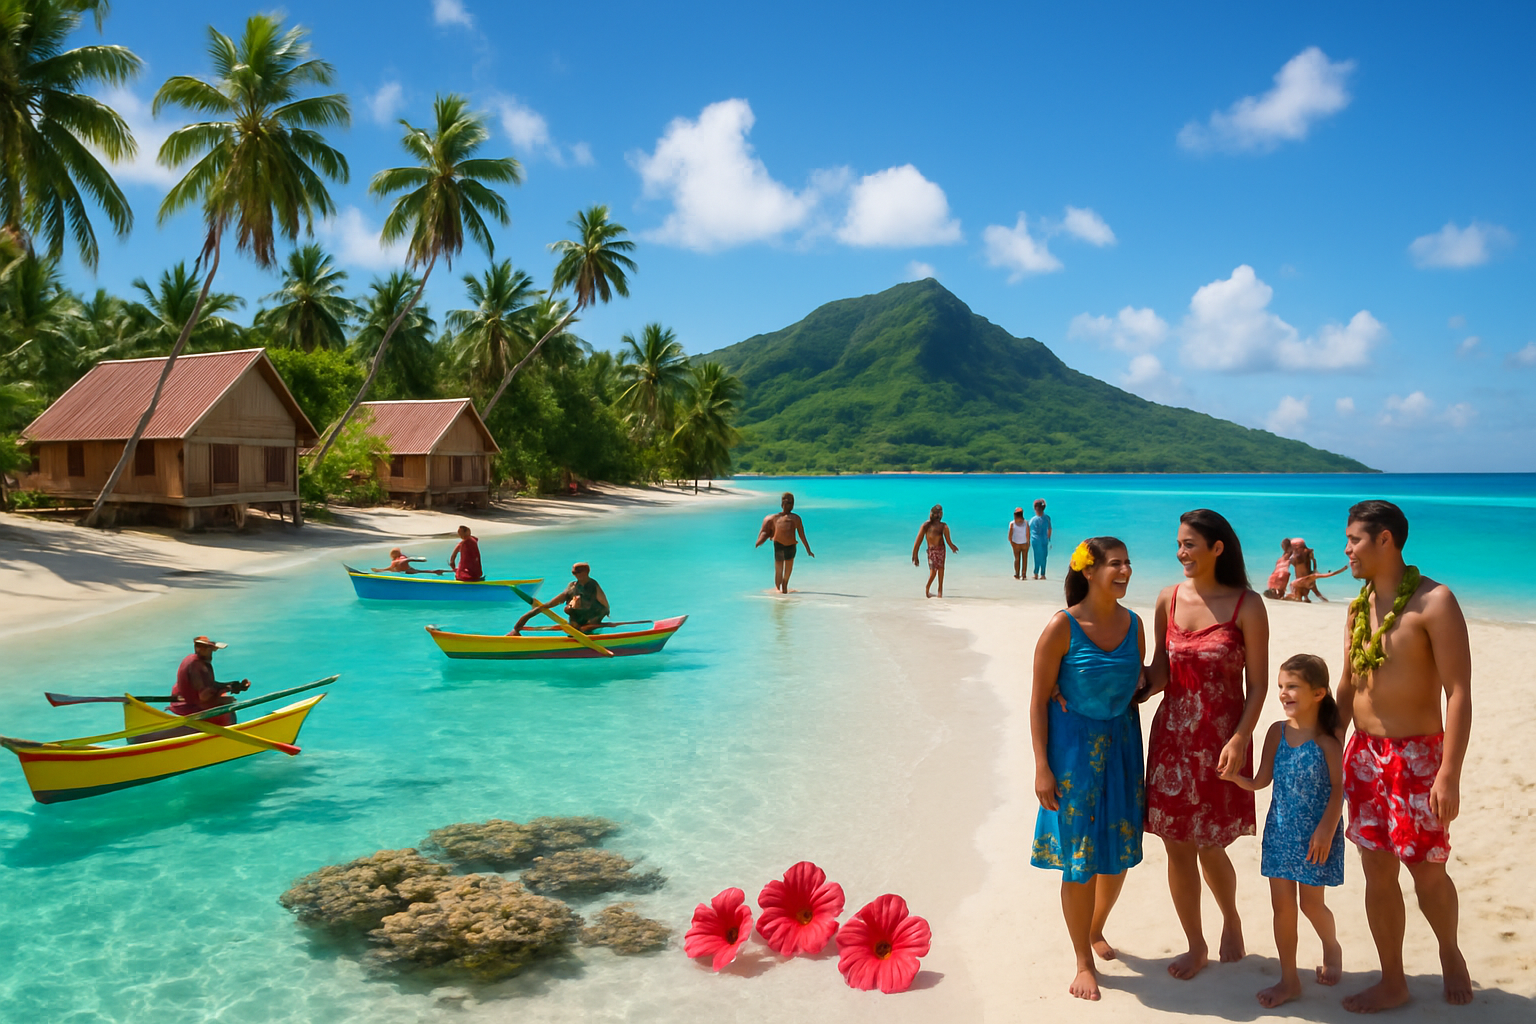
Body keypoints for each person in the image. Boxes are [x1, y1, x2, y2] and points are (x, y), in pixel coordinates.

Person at [1335, 500, 1472, 1011]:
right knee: (1377, 871)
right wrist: (1329, 747)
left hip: (1418, 759)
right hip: (1364, 755)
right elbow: (1348, 685)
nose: (1346, 550)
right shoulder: (1356, 606)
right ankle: (1394, 979)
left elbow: (1459, 691)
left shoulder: (1435, 603)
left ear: (1385, 539)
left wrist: (1449, 773)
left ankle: (1450, 952)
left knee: (1428, 870)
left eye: (1354, 540)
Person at [1143, 509, 1269, 980]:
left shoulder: (1247, 605)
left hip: (1221, 742)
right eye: (1179, 544)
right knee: (1177, 846)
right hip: (1172, 740)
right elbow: (1160, 672)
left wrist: (1241, 736)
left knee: (1211, 846)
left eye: (1190, 544)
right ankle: (1195, 944)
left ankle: (1231, 918)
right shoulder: (1167, 599)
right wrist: (1110, 686)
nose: (1181, 553)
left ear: (1218, 548)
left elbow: (1257, 685)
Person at [1030, 536, 1147, 1001]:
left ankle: (1095, 927)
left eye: (1128, 563)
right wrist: (1042, 766)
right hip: (1073, 753)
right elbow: (1038, 701)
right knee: (1079, 860)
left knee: (1118, 853)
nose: (1125, 571)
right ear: (1088, 571)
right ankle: (1081, 958)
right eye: (1115, 564)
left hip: (1122, 747)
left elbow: (1140, 681)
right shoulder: (1062, 627)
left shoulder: (1134, 623)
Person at [1220, 653, 1346, 1008]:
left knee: (1311, 905)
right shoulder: (1277, 731)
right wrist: (1236, 779)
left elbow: (1340, 790)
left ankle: (1331, 945)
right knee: (1283, 908)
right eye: (1280, 686)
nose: (1283, 693)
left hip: (1316, 837)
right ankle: (1289, 980)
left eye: (1292, 686)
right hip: (1279, 832)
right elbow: (1262, 779)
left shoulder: (1327, 741)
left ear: (1319, 693)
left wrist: (1325, 830)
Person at [168, 636, 250, 727]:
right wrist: (224, 698)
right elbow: (204, 696)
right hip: (190, 709)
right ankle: (230, 731)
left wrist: (232, 686)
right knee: (228, 705)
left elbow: (210, 685)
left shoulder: (192, 660)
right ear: (200, 649)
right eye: (209, 649)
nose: (211, 654)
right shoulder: (198, 665)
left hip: (181, 702)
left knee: (224, 696)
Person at [512, 562, 610, 634]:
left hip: (592, 616)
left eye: (579, 572)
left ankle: (587, 628)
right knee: (565, 612)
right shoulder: (572, 586)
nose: (576, 575)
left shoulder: (593, 585)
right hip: (577, 616)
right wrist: (541, 608)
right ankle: (516, 629)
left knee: (584, 627)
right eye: (574, 573)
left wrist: (601, 616)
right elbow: (557, 600)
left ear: (587, 572)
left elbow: (605, 605)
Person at [754, 492, 814, 594]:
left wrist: (808, 549)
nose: (787, 505)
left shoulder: (796, 518)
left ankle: (785, 584)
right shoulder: (774, 517)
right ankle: (778, 588)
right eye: (786, 502)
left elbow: (801, 535)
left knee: (788, 568)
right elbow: (765, 530)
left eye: (790, 503)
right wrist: (759, 541)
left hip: (791, 546)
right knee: (779, 568)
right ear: (782, 504)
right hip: (779, 545)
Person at [911, 504, 959, 599]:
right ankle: (927, 589)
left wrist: (952, 547)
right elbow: (918, 542)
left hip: (941, 551)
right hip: (932, 552)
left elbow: (948, 540)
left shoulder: (944, 527)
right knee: (933, 573)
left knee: (941, 570)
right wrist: (915, 555)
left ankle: (940, 591)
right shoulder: (926, 526)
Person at [1285, 565, 1349, 602]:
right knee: (1296, 599)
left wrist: (1326, 601)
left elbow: (1317, 594)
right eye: (1318, 573)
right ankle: (1284, 597)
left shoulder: (1313, 583)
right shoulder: (1313, 576)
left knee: (1300, 600)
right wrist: (1342, 569)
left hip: (1299, 586)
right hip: (1293, 585)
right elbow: (1329, 575)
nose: (1319, 574)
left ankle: (1285, 596)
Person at [1028, 499, 1053, 579]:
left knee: (1036, 556)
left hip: (1035, 540)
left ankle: (1035, 574)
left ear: (1035, 509)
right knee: (1044, 557)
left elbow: (1027, 530)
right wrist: (1049, 538)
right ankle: (1042, 574)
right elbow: (1049, 529)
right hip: (1044, 540)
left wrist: (1027, 540)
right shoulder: (1047, 518)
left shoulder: (1033, 519)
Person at [1007, 507, 1032, 579]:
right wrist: (1028, 542)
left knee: (1017, 559)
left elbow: (1010, 535)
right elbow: (1028, 533)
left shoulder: (1012, 523)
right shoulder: (1026, 523)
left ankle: (1017, 574)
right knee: (1025, 559)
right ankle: (1023, 575)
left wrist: (1011, 542)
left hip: (1016, 543)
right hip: (1024, 543)